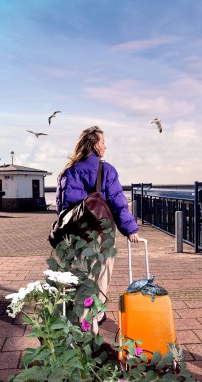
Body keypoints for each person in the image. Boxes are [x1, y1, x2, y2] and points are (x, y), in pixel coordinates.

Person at [56, 125, 139, 333]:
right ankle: (93, 320)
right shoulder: (107, 170)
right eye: (102, 142)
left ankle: (82, 317)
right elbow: (119, 203)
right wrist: (130, 229)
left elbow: (62, 207)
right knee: (101, 276)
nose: (105, 146)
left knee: (80, 275)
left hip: (76, 233)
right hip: (102, 234)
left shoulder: (68, 171)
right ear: (95, 145)